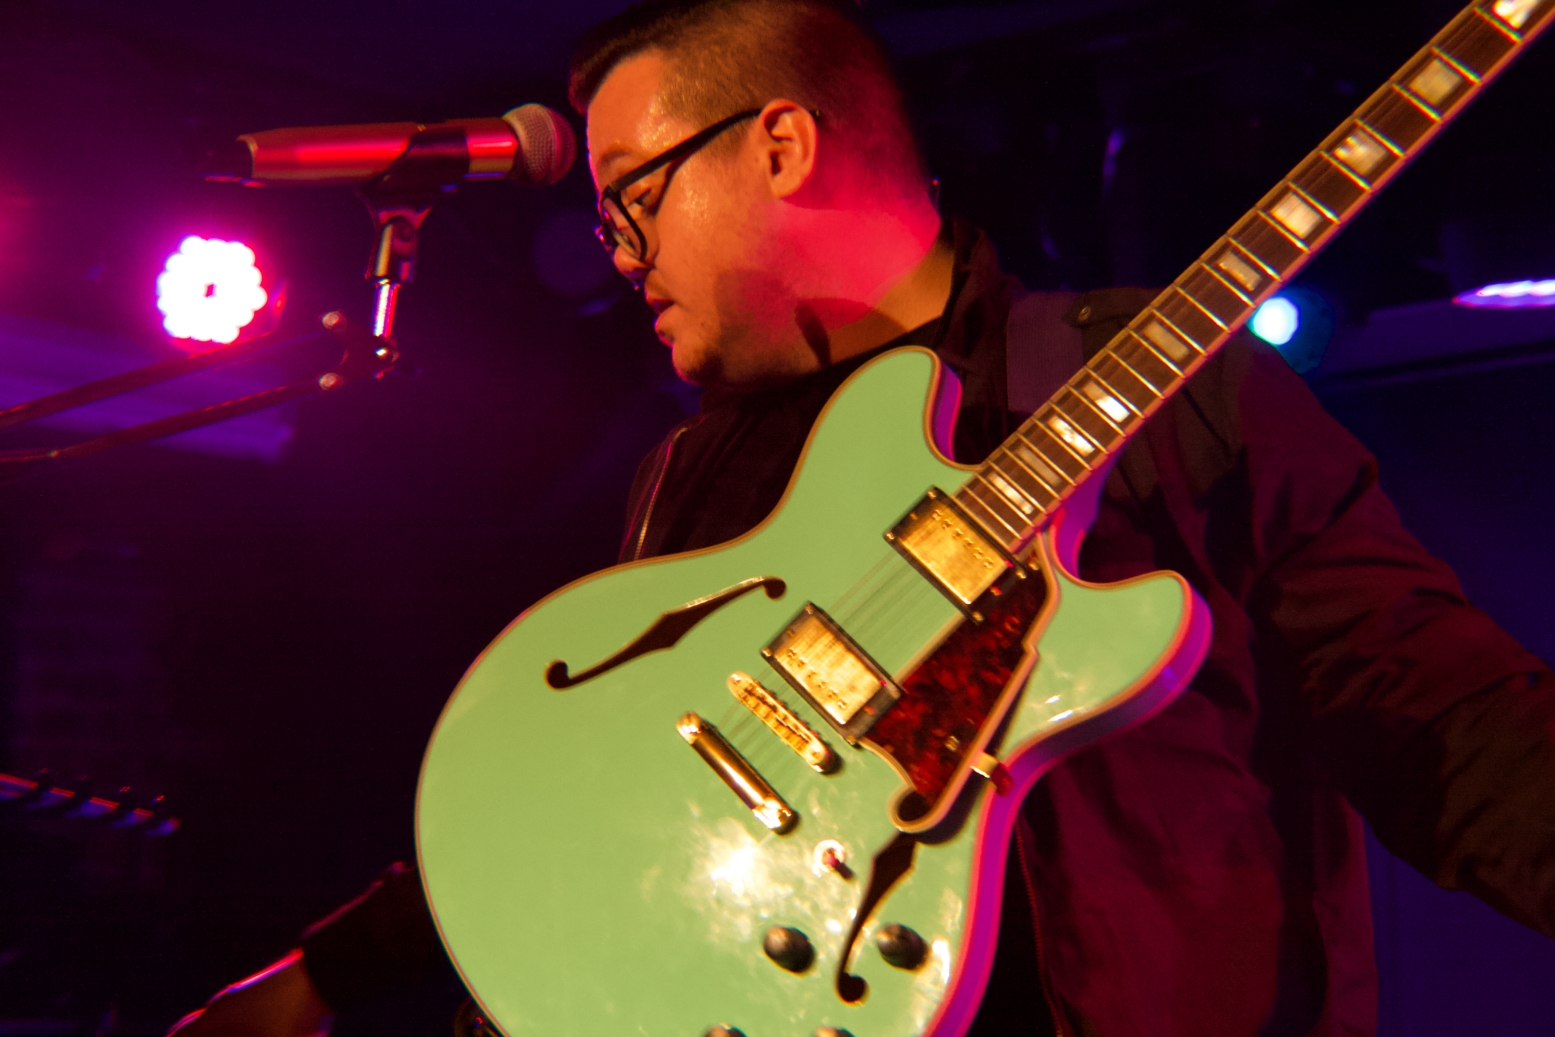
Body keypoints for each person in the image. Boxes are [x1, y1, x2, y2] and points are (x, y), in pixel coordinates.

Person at [169, 1, 1555, 1035]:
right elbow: (590, 799)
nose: (623, 256)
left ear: (778, 144)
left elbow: (1428, 703)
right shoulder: (690, 474)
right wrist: (327, 973)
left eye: (634, 194)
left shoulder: (1153, 386)